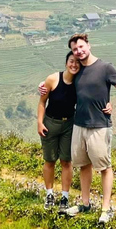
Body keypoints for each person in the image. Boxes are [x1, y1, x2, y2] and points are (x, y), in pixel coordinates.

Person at [41, 33, 116, 225]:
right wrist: (43, 86)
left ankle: (106, 208)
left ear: (88, 45)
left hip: (99, 125)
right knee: (83, 165)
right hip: (79, 125)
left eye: (81, 47)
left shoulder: (105, 67)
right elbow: (63, 83)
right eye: (74, 49)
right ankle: (85, 203)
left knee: (104, 167)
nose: (78, 51)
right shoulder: (78, 69)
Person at [37, 51, 80, 212]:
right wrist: (40, 123)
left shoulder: (80, 82)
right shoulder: (53, 79)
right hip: (50, 122)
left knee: (66, 161)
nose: (74, 64)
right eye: (71, 61)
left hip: (69, 124)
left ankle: (64, 197)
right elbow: (42, 102)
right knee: (49, 160)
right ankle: (49, 194)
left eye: (77, 62)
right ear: (66, 63)